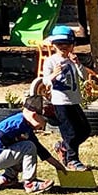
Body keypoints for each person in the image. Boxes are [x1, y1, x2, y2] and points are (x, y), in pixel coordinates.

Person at [38, 26, 91, 169]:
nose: (63, 48)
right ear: (54, 46)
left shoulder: (73, 61)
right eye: (59, 45)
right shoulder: (51, 61)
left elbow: (84, 77)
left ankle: (63, 146)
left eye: (67, 45)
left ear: (72, 46)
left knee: (85, 130)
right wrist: (54, 74)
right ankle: (72, 160)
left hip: (74, 100)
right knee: (70, 132)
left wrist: (78, 64)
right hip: (60, 102)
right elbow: (45, 81)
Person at [0, 95, 55, 193]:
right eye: (45, 121)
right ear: (34, 116)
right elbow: (1, 136)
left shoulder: (26, 125)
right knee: (28, 147)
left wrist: (58, 166)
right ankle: (30, 183)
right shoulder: (17, 124)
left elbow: (40, 149)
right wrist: (16, 140)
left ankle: (8, 179)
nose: (44, 126)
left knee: (26, 148)